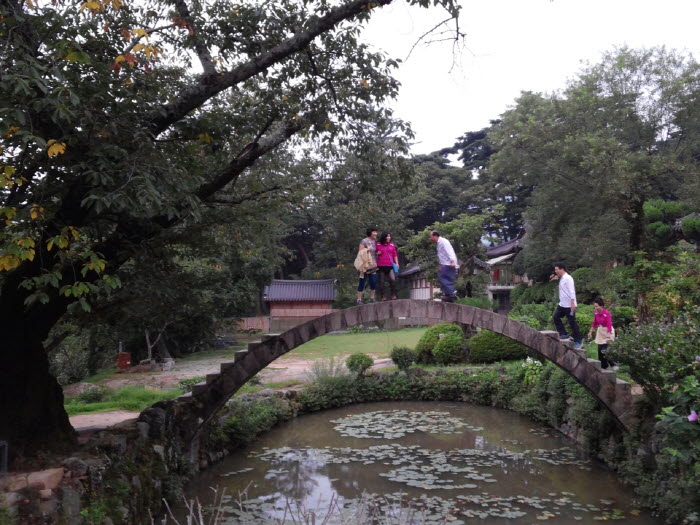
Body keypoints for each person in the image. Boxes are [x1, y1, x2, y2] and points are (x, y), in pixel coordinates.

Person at [551, 262, 583, 349]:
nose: (555, 271)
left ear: (562, 269)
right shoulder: (561, 278)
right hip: (562, 304)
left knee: (572, 323)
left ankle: (578, 341)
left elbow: (572, 291)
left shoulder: (568, 278)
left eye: (557, 269)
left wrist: (573, 303)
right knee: (556, 317)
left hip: (569, 305)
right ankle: (563, 334)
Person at [429, 230, 458, 302]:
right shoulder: (439, 243)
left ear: (435, 236)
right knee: (444, 278)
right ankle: (448, 295)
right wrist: (440, 265)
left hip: (449, 264)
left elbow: (449, 251)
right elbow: (442, 255)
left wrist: (452, 261)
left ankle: (451, 295)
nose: (430, 238)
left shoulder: (444, 241)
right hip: (446, 264)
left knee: (443, 278)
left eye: (431, 236)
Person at [588, 297, 615, 369]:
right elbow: (594, 323)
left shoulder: (606, 314)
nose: (595, 308)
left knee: (604, 349)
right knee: (599, 350)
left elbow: (609, 324)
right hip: (600, 331)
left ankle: (612, 364)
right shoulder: (596, 313)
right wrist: (590, 332)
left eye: (597, 306)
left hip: (607, 331)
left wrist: (608, 335)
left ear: (601, 306)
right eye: (595, 306)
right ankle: (603, 366)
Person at [356, 227, 378, 305]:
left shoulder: (375, 242)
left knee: (373, 281)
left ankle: (372, 298)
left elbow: (374, 253)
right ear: (370, 232)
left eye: (376, 232)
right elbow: (360, 252)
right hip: (364, 265)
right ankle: (359, 299)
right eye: (374, 232)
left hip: (373, 264)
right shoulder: (364, 241)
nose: (376, 233)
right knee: (362, 281)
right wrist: (367, 250)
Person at [376, 232, 399, 301]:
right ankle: (382, 296)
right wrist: (377, 254)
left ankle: (393, 294)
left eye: (389, 236)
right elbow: (373, 254)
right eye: (387, 236)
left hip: (390, 265)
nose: (389, 238)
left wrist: (397, 263)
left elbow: (395, 254)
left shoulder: (392, 245)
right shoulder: (377, 244)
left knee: (393, 280)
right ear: (384, 237)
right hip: (381, 266)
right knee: (381, 282)